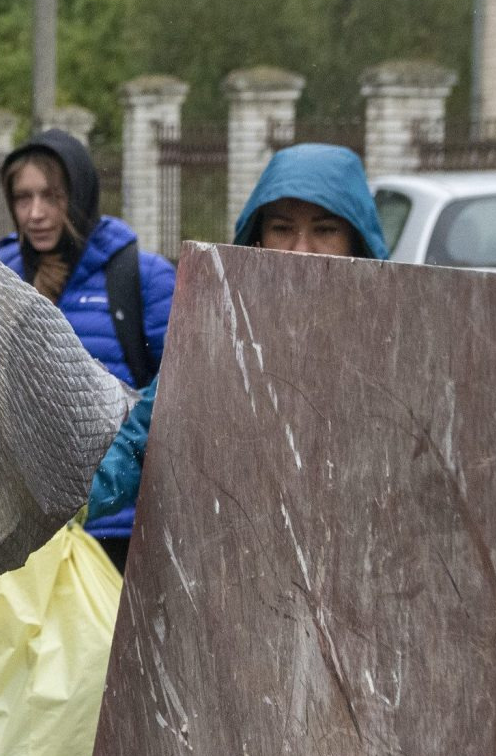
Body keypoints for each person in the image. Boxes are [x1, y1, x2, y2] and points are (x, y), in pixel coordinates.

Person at [89, 143, 391, 525]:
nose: (301, 250)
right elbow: (142, 442)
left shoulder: (394, 344)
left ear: (356, 240)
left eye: (325, 229)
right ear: (258, 240)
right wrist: (65, 507)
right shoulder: (220, 338)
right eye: (282, 228)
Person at [0, 128, 174, 572]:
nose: (36, 213)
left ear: (80, 196)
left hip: (114, 533)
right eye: (23, 198)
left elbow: (173, 393)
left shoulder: (141, 276)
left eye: (52, 197)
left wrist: (106, 486)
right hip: (16, 536)